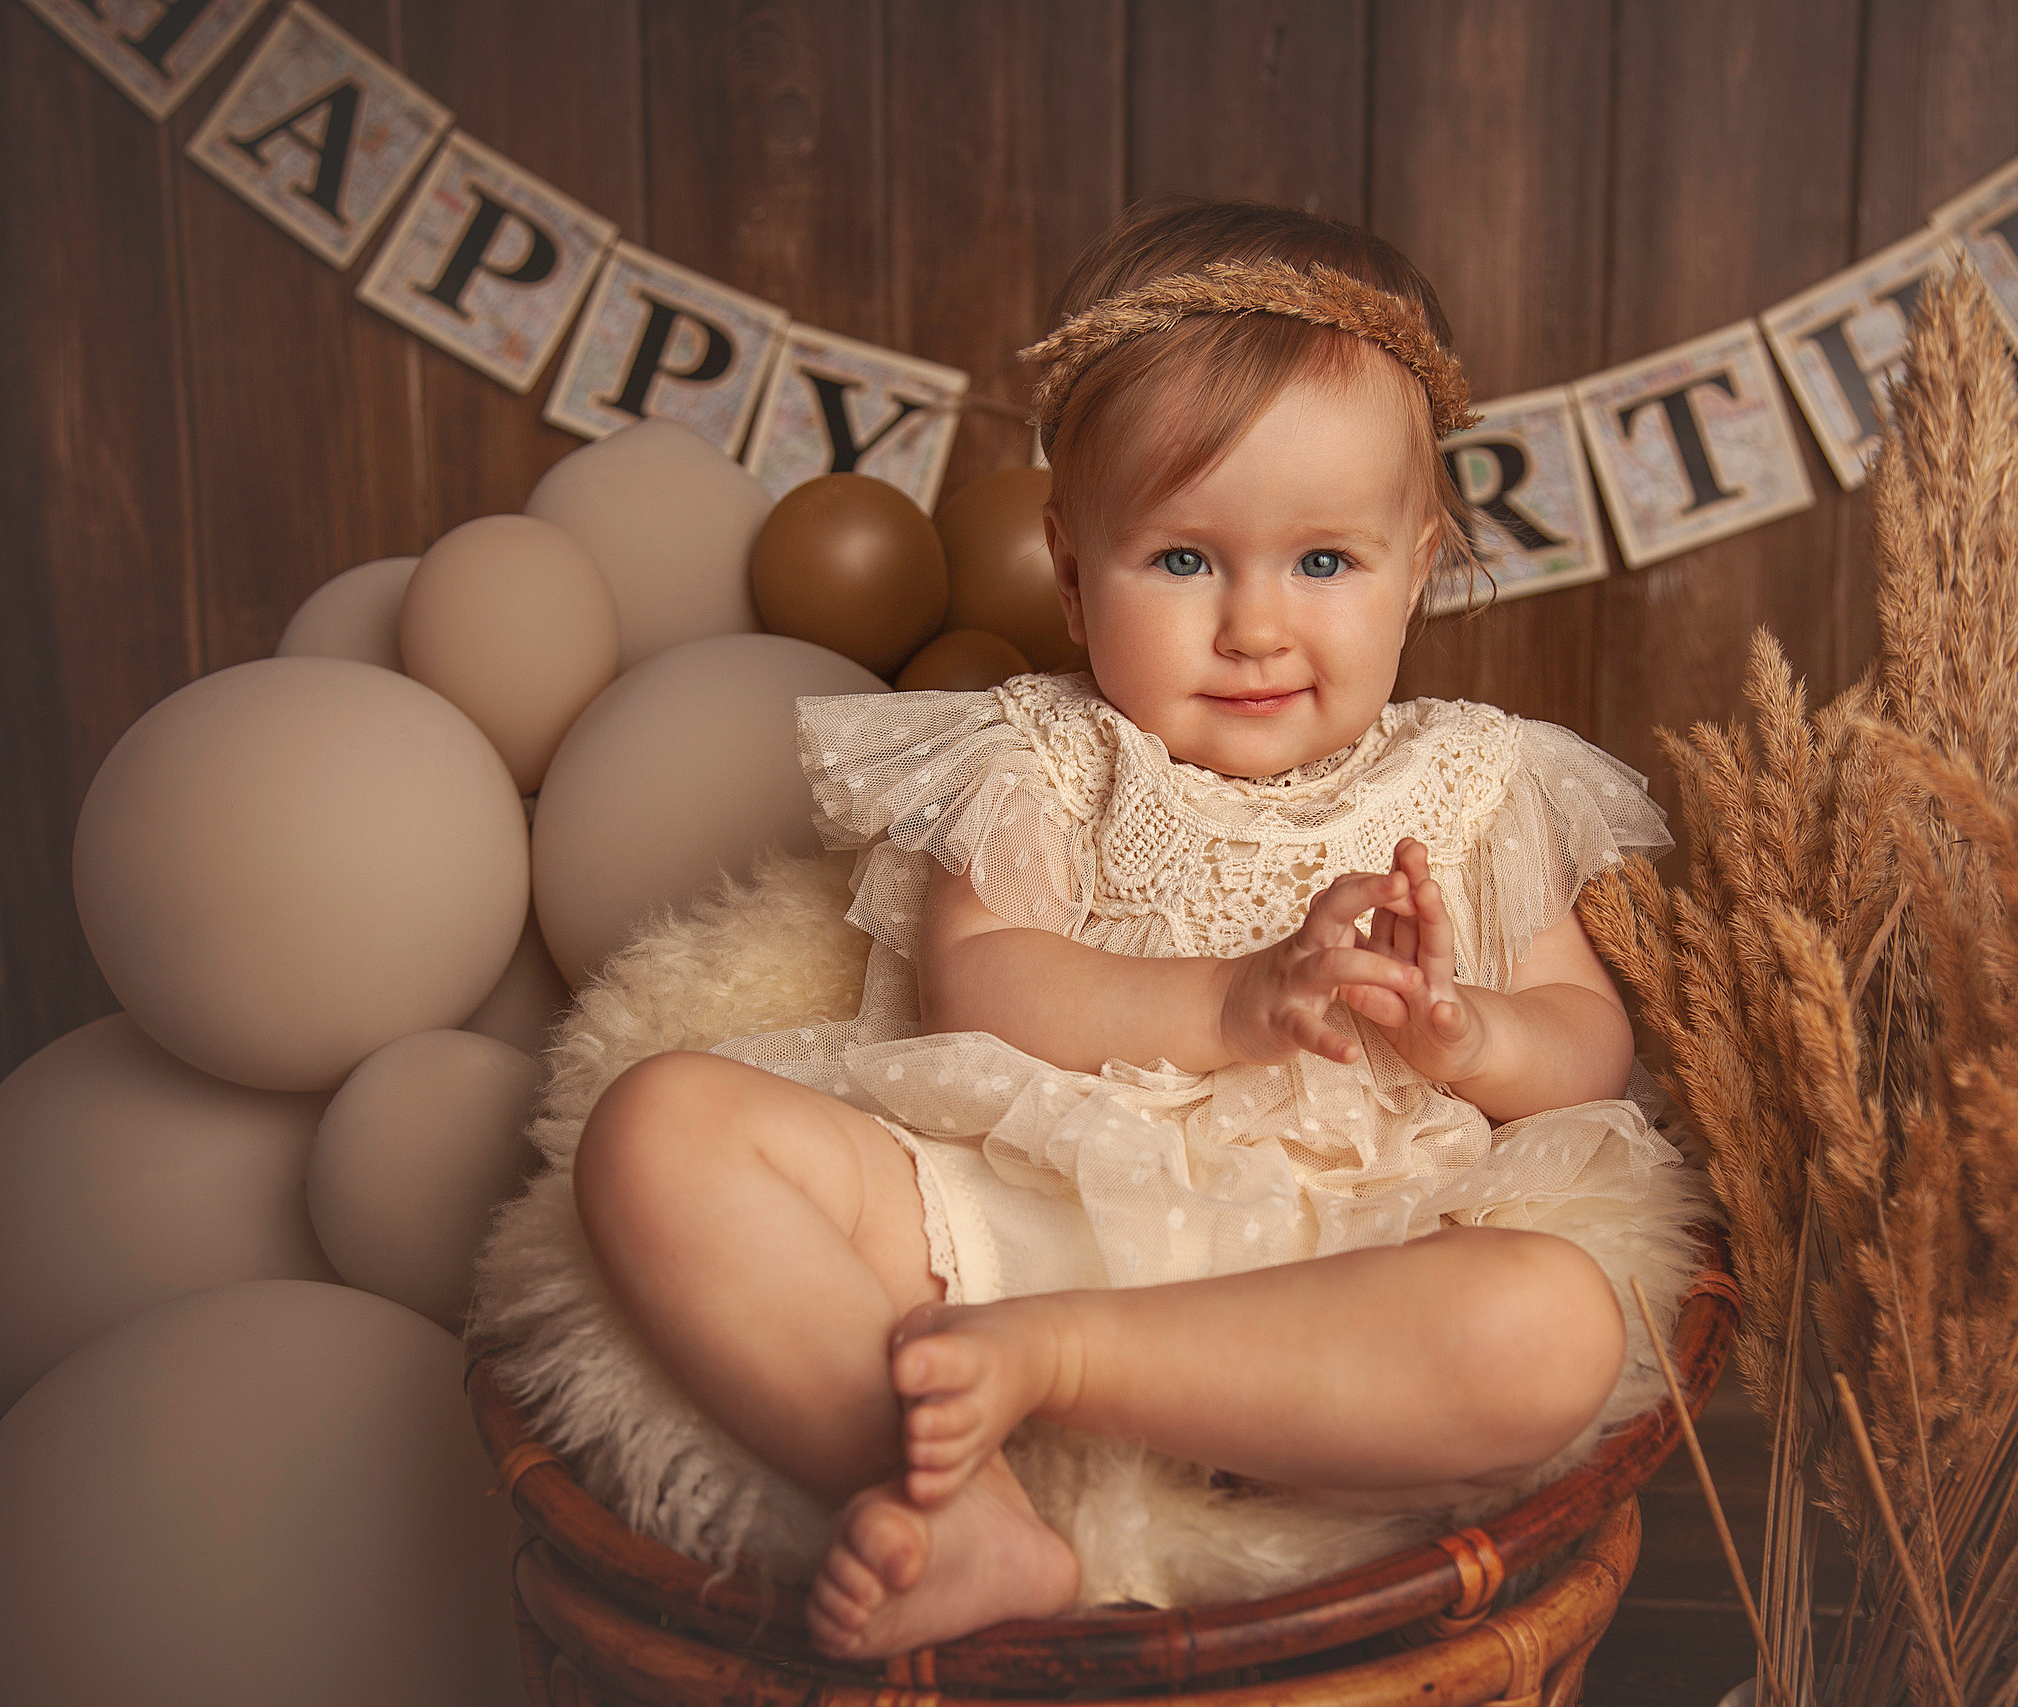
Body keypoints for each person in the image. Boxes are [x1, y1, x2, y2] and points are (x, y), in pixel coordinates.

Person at [569, 199, 1682, 1660]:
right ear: (1071, 569)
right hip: (1006, 1222)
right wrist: (1228, 1004)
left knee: (1551, 1324)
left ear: (1421, 561)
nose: (1255, 626)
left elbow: (1589, 1042)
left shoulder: (1479, 782)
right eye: (1183, 560)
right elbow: (981, 982)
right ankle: (953, 1500)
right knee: (656, 1130)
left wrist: (1471, 1032)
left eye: (1325, 564)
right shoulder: (1048, 755)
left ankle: (1066, 1364)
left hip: (1333, 1284)